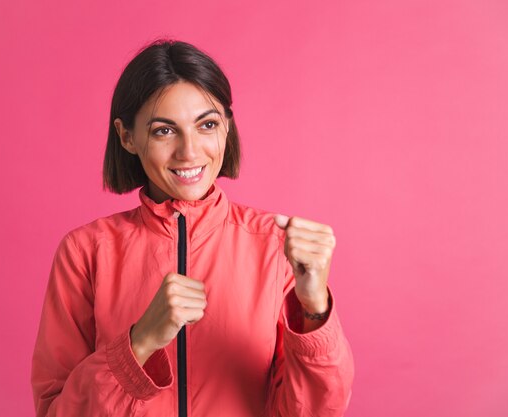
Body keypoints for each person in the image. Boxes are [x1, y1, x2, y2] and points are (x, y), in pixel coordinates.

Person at [31, 39, 354, 417]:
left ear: (227, 127)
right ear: (126, 137)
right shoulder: (85, 252)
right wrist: (139, 343)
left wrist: (314, 308)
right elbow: (56, 412)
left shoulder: (274, 247)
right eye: (164, 131)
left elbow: (313, 412)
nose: (189, 151)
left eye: (207, 125)